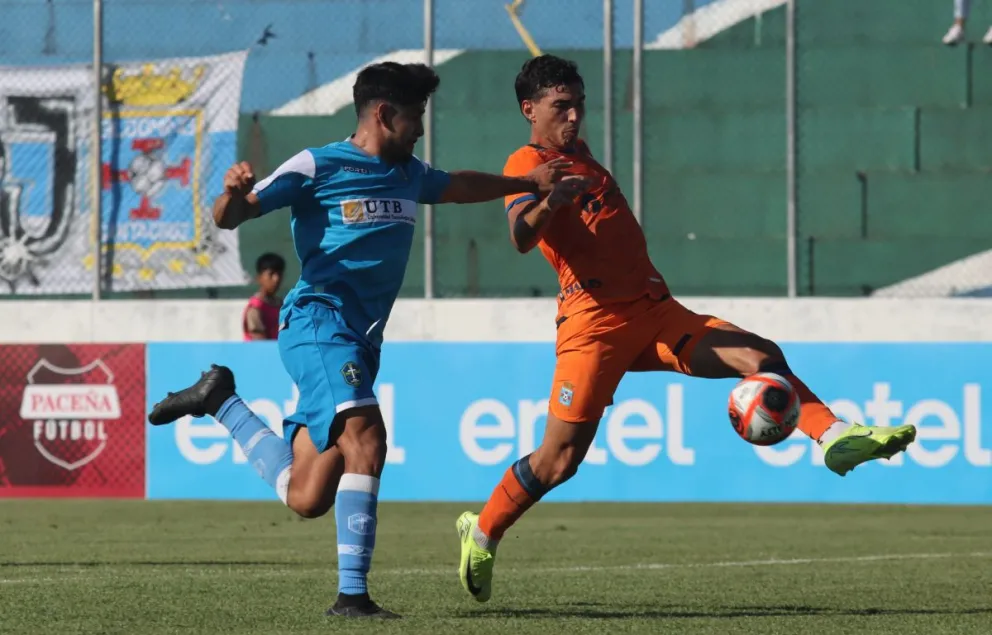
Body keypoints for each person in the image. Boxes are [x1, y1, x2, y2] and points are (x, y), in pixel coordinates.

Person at [454, 54, 918, 604]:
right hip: (594, 324)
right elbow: (520, 236)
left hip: (655, 310)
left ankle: (834, 436)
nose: (575, 115)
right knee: (559, 461)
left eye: (579, 104)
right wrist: (552, 200)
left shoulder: (582, 157)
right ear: (529, 110)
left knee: (761, 355)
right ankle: (482, 532)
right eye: (561, 106)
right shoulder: (527, 161)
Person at [147, 61, 585, 619]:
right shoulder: (318, 165)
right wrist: (231, 194)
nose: (420, 128)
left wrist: (527, 183)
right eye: (415, 116)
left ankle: (220, 400)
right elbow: (232, 215)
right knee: (368, 440)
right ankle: (352, 598)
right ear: (383, 114)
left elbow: (457, 186)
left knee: (307, 496)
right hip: (318, 325)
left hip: (360, 343)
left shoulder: (409, 174)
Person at [242, 252, 285, 340]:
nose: (276, 279)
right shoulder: (255, 308)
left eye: (279, 274)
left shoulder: (281, 304)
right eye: (271, 274)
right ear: (259, 277)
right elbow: (259, 341)